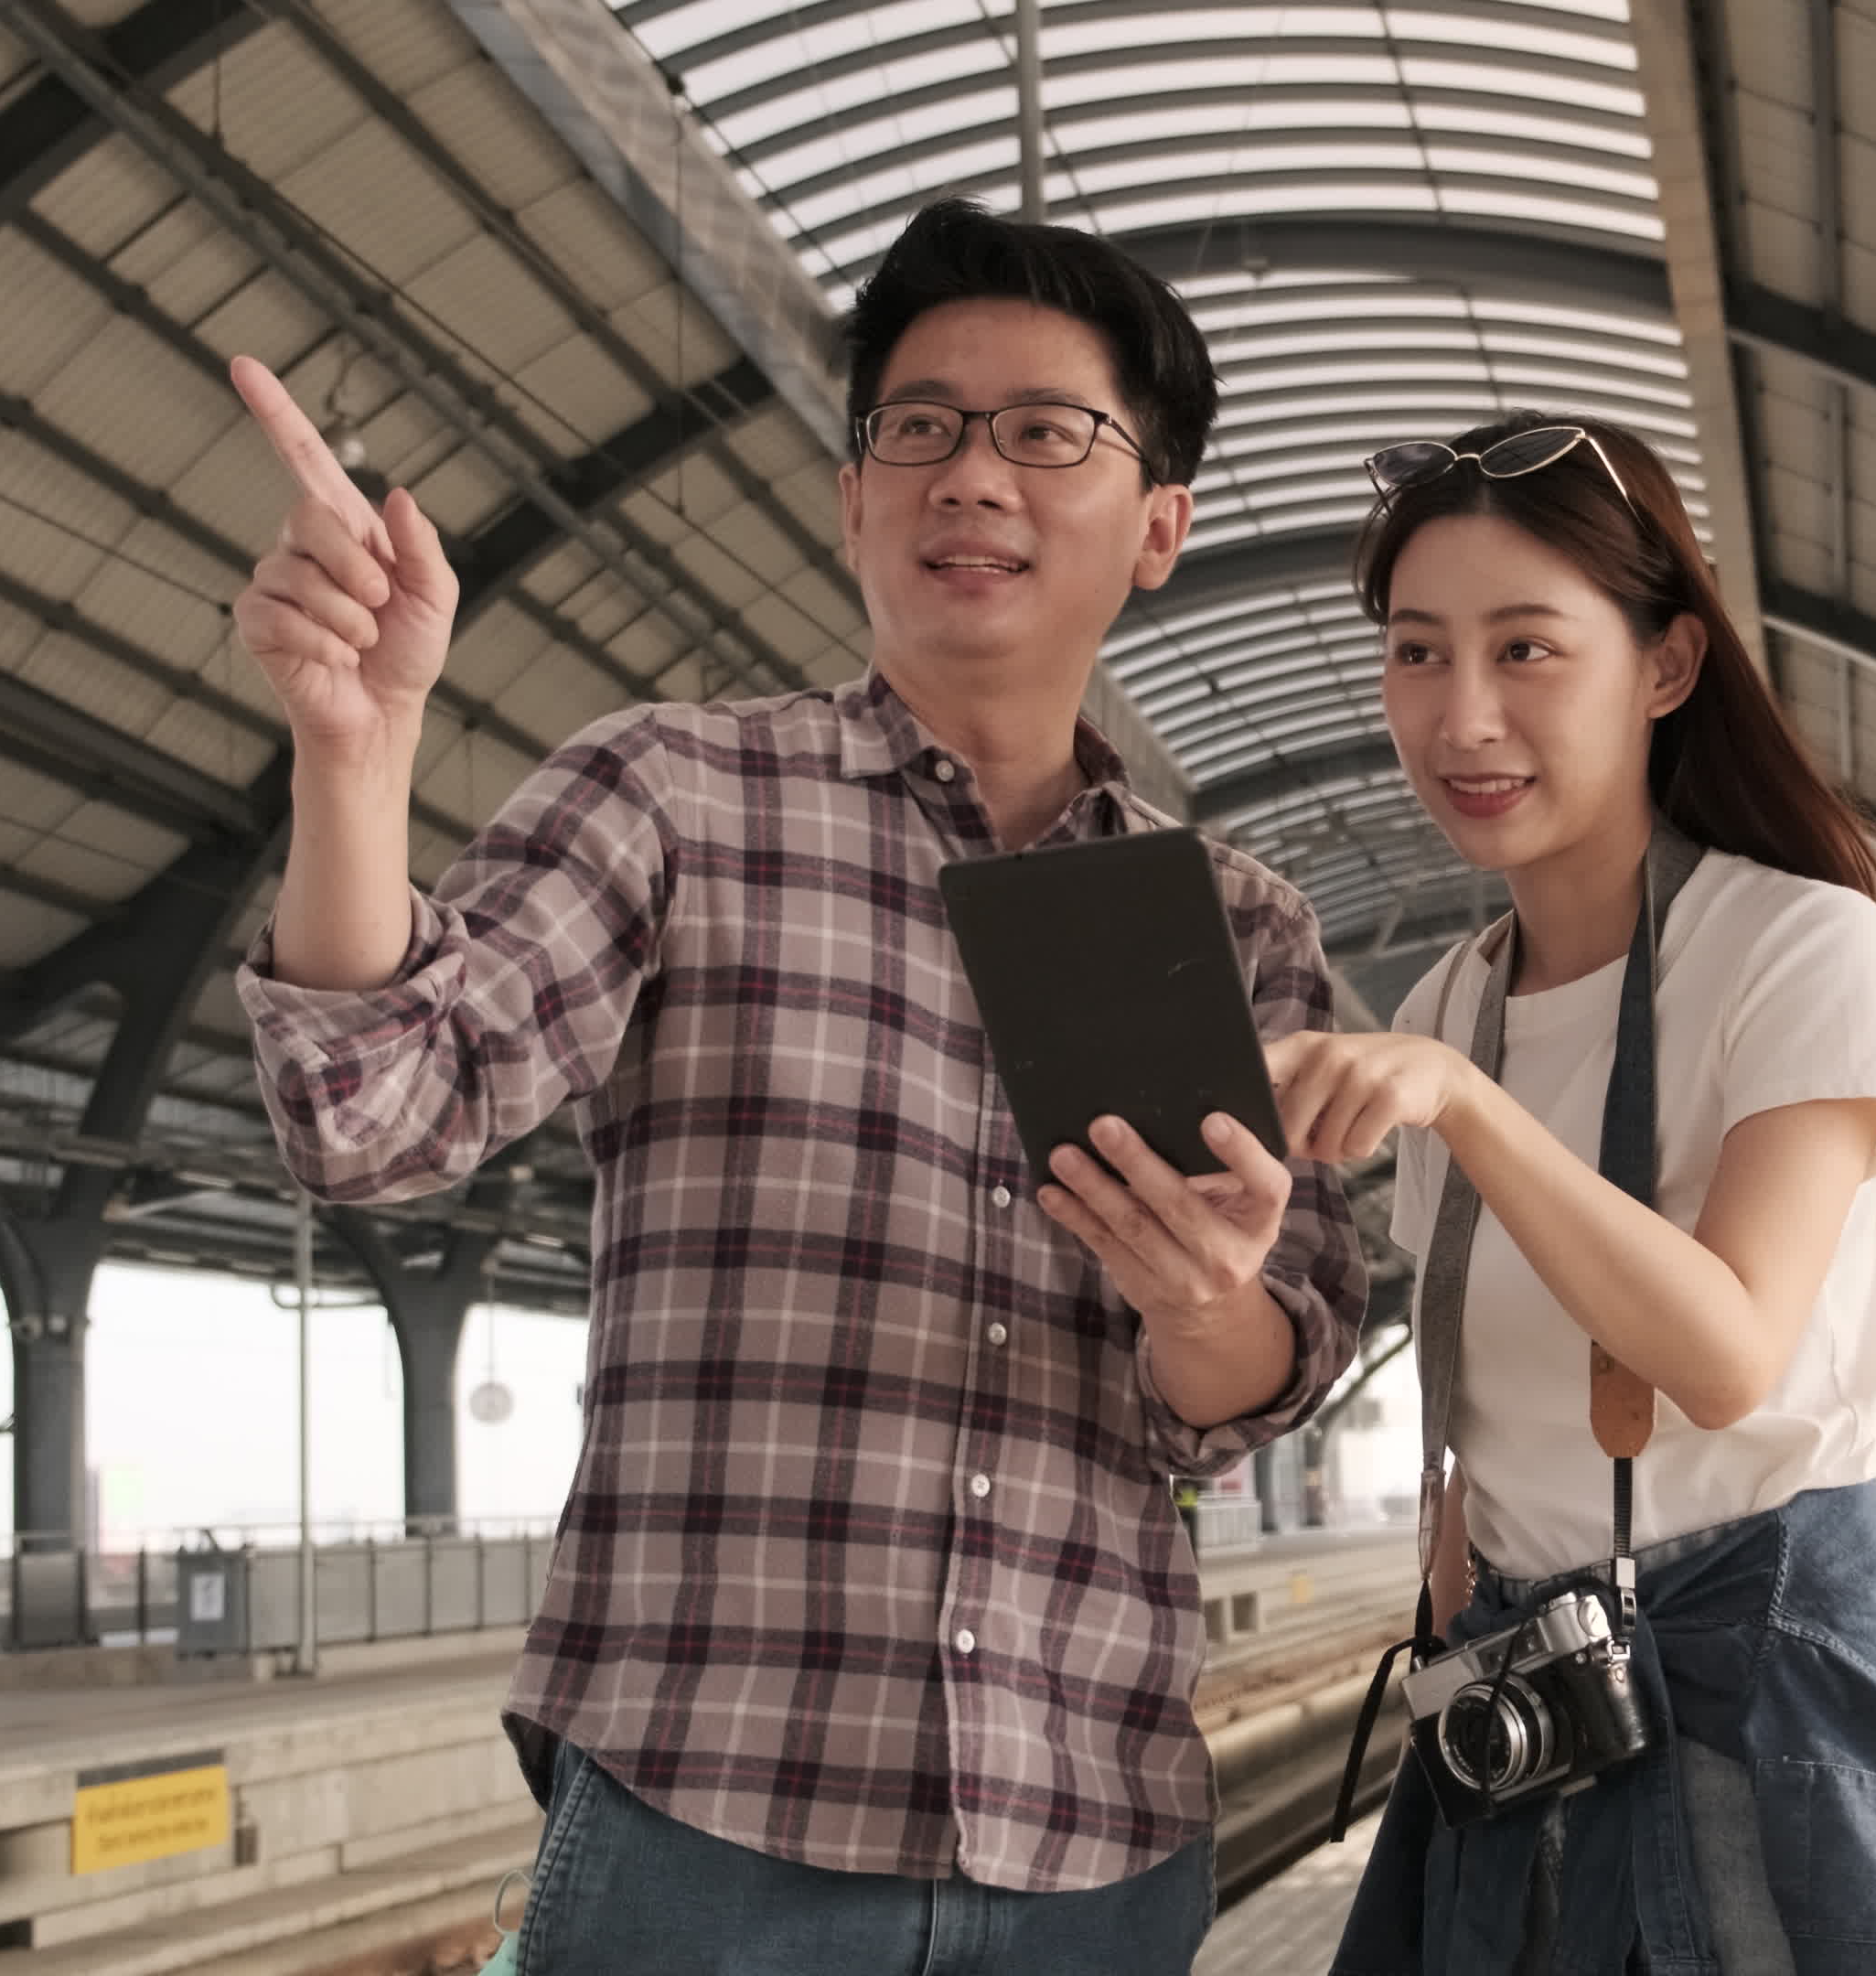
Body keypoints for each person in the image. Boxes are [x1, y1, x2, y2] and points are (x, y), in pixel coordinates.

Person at [229, 199, 1366, 1973]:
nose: (969, 479)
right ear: (852, 499)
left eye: (1044, 433)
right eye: (917, 428)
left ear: (1159, 527)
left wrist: (1204, 1305)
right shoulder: (676, 796)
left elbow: (1271, 1371)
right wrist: (353, 764)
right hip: (712, 1815)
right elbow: (377, 1118)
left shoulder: (1243, 930)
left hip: (1096, 1830)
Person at [1268, 413, 1876, 1972]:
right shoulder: (1445, 1011)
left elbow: (1728, 1349)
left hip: (1761, 1695)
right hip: (1530, 1703)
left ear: (1669, 665)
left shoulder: (1798, 946)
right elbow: (1489, 1418)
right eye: (1417, 653)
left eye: (1527, 650)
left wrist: (1473, 1110)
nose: (1463, 714)